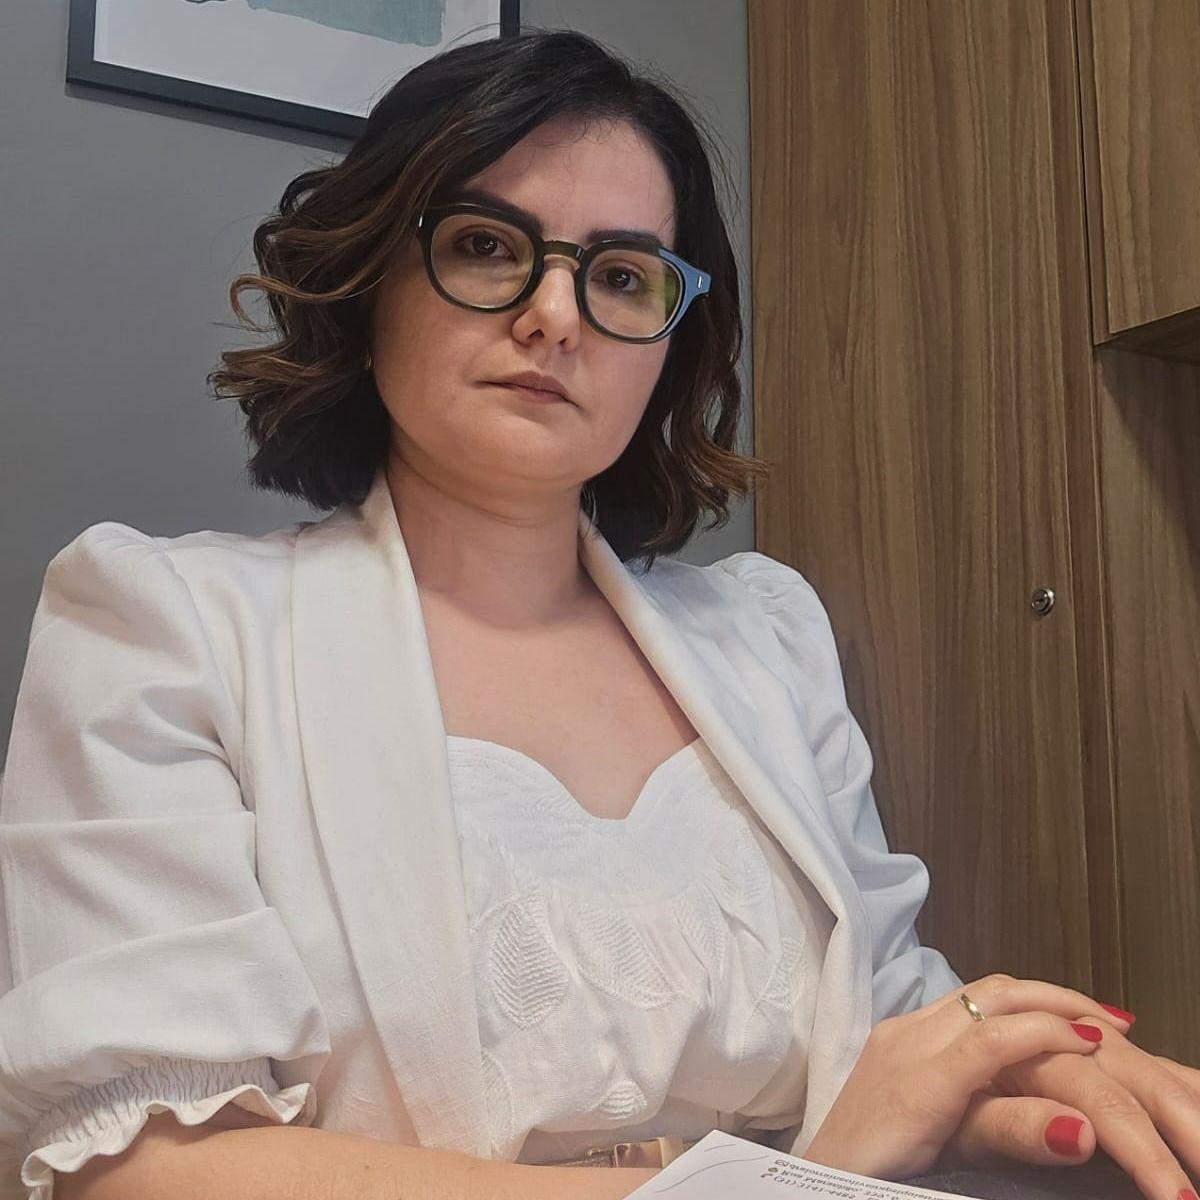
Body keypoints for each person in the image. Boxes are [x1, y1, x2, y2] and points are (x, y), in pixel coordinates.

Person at [1, 27, 1197, 1200]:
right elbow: (143, 1168)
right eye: (486, 246)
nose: (556, 314)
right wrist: (782, 1183)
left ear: (669, 348)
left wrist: (1026, 1072)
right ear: (370, 288)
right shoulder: (166, 627)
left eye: (622, 276)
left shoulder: (766, 638)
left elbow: (885, 1036)